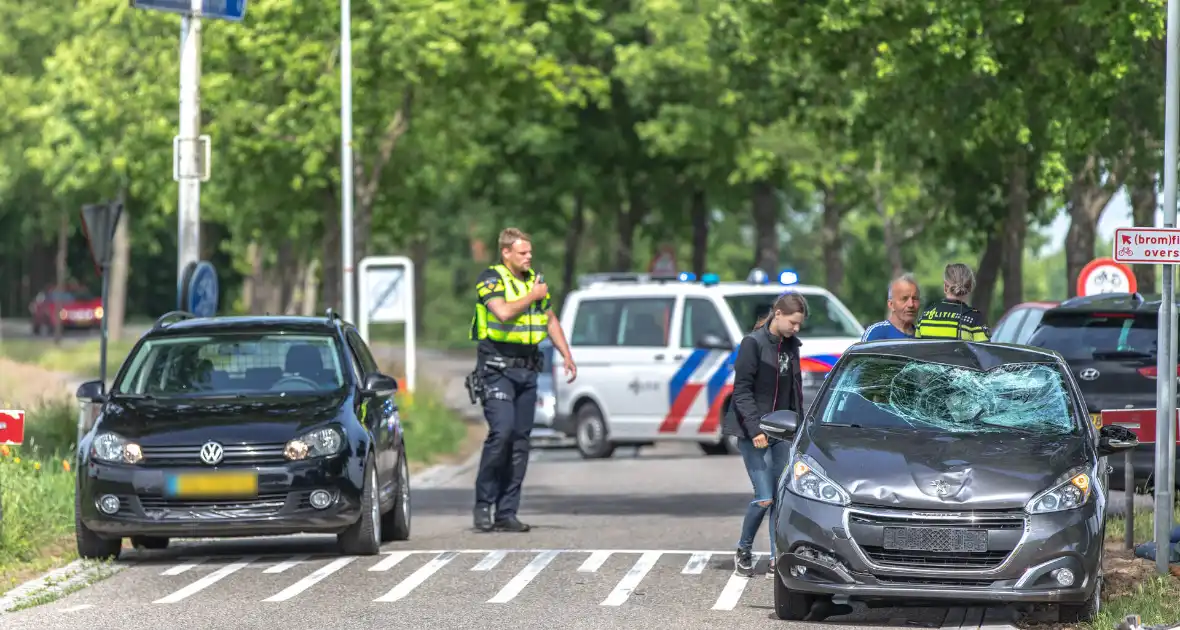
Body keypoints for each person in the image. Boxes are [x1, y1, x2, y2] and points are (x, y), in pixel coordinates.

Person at [468, 227, 577, 533]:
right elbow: (502, 313)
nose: (529, 257)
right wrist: (532, 296)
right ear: (506, 253)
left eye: (530, 252)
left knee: (520, 441)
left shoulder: (535, 283)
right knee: (501, 433)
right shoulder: (491, 279)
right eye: (523, 253)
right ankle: (483, 505)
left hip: (527, 369)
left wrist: (566, 354)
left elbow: (549, 319)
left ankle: (507, 511)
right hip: (496, 369)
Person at [722, 290, 808, 579]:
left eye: (799, 325)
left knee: (781, 497)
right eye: (793, 323)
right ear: (779, 314)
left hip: (782, 433)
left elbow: (795, 392)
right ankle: (744, 549)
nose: (796, 329)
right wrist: (756, 429)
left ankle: (776, 557)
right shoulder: (753, 344)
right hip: (754, 432)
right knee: (765, 498)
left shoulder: (791, 346)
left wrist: (800, 428)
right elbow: (742, 391)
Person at [915, 263, 990, 341]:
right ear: (970, 287)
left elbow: (917, 350)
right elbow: (984, 351)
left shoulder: (924, 316)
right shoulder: (975, 318)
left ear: (945, 287)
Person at [861, 273, 921, 341]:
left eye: (915, 298)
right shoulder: (876, 334)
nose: (911, 304)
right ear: (891, 304)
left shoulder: (923, 336)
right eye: (904, 299)